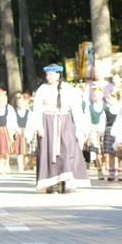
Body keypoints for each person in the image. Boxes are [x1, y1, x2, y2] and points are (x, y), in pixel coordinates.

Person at [29, 64, 90, 193]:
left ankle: (67, 181)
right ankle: (48, 182)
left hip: (65, 122)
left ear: (58, 75)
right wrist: (39, 126)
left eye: (51, 74)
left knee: (67, 150)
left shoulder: (67, 88)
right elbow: (37, 109)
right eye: (47, 74)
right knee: (48, 152)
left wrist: (79, 128)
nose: (48, 77)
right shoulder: (43, 89)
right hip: (48, 122)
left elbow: (76, 108)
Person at [84, 86, 107, 179]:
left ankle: (104, 165)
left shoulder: (106, 106)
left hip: (104, 128)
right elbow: (87, 119)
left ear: (102, 95)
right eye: (94, 96)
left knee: (104, 152)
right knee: (97, 151)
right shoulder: (90, 107)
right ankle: (99, 170)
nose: (96, 97)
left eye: (98, 95)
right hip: (93, 128)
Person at [11, 92, 32, 172]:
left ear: (25, 103)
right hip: (18, 132)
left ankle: (25, 165)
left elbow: (30, 122)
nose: (20, 104)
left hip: (27, 132)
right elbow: (13, 121)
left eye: (21, 103)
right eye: (18, 103)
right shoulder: (14, 112)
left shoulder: (29, 112)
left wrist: (28, 132)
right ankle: (20, 167)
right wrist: (16, 129)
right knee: (19, 152)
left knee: (26, 152)